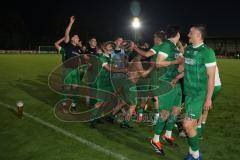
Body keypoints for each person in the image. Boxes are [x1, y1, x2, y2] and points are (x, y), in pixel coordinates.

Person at [183, 25, 216, 160]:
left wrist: (208, 98)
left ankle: (196, 156)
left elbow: (211, 77)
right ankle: (191, 152)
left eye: (191, 32)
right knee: (193, 125)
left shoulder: (207, 52)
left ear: (199, 36)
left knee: (187, 125)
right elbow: (184, 69)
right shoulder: (188, 49)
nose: (188, 34)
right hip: (188, 93)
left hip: (199, 94)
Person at [54, 16, 83, 112]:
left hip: (76, 71)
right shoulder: (67, 45)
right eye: (75, 37)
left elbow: (80, 59)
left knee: (75, 89)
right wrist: (71, 23)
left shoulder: (78, 49)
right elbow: (67, 33)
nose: (77, 38)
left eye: (77, 37)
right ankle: (64, 106)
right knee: (66, 88)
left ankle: (74, 106)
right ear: (71, 39)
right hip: (67, 70)